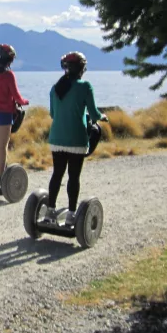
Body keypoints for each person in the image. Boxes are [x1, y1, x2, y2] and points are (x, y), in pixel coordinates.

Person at [44, 51, 107, 225]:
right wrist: (102, 116)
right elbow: (93, 113)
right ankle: (71, 214)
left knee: (57, 174)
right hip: (76, 139)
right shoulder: (85, 86)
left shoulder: (55, 88)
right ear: (82, 68)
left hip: (56, 138)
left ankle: (50, 211)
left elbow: (53, 113)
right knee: (73, 176)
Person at [0, 43, 30, 184]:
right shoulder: (8, 75)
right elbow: (17, 97)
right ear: (10, 59)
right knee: (2, 145)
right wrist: (25, 101)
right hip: (3, 114)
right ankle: (2, 176)